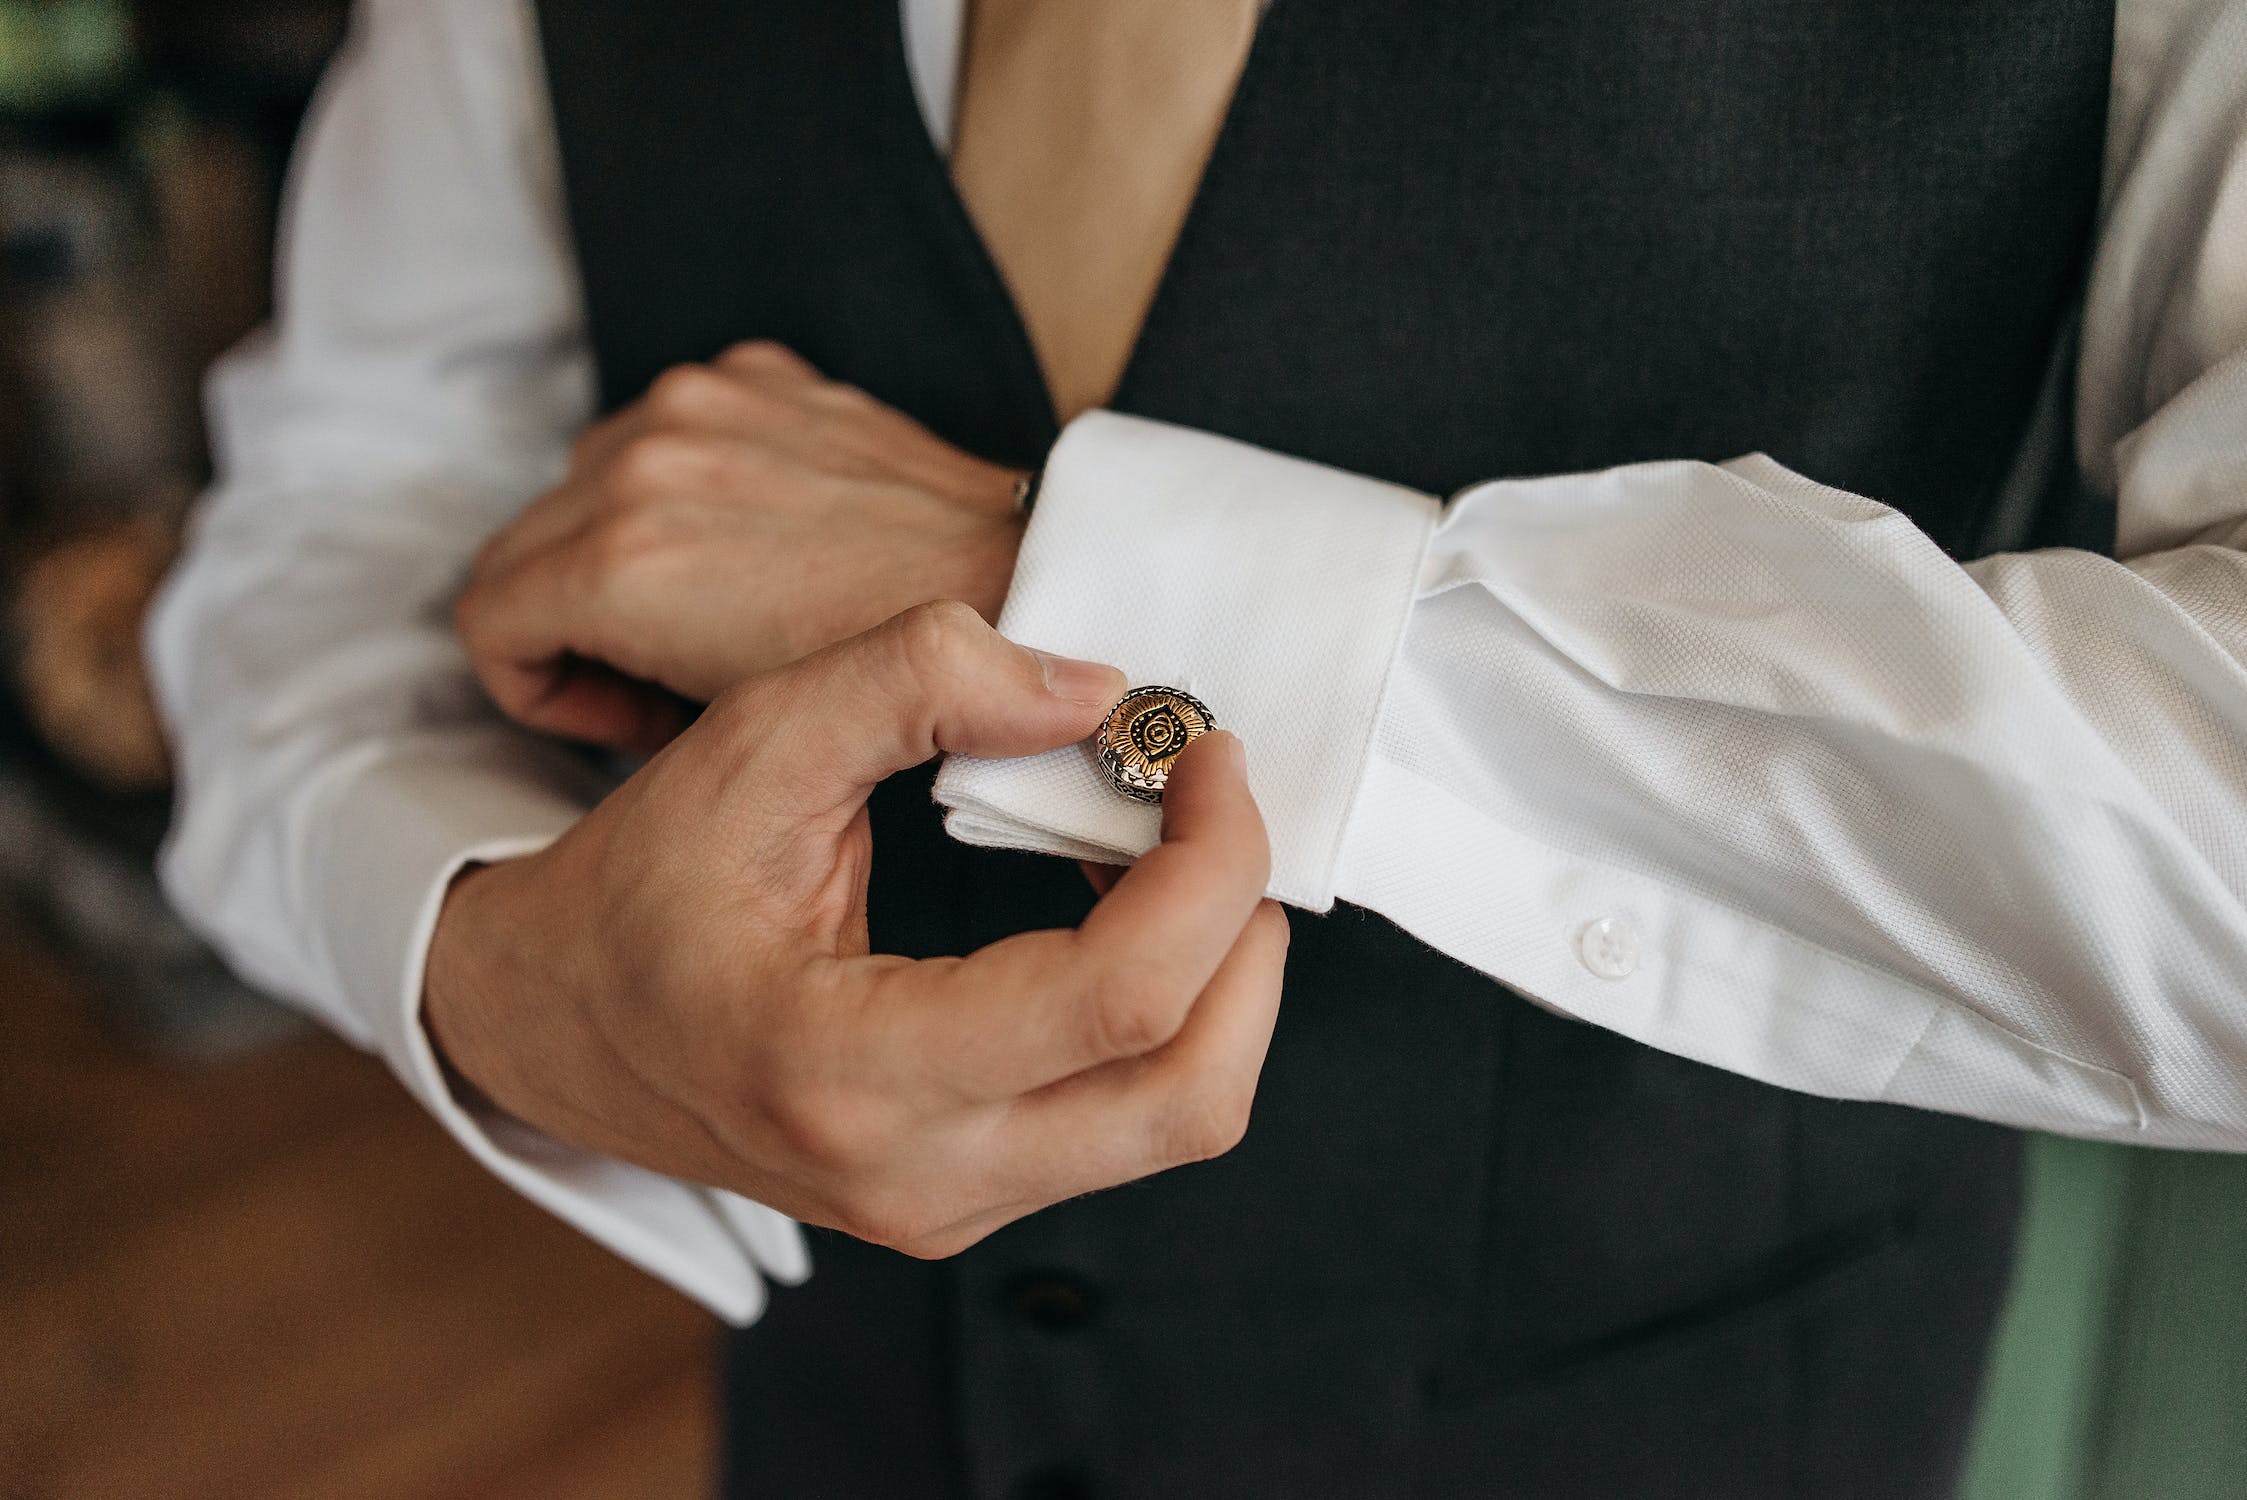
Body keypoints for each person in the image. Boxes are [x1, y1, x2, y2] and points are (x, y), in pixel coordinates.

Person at [151, 0, 2247, 1494]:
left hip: (1690, 1395)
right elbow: (339, 513)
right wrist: (497, 968)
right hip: (839, 1401)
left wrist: (1081, 589)